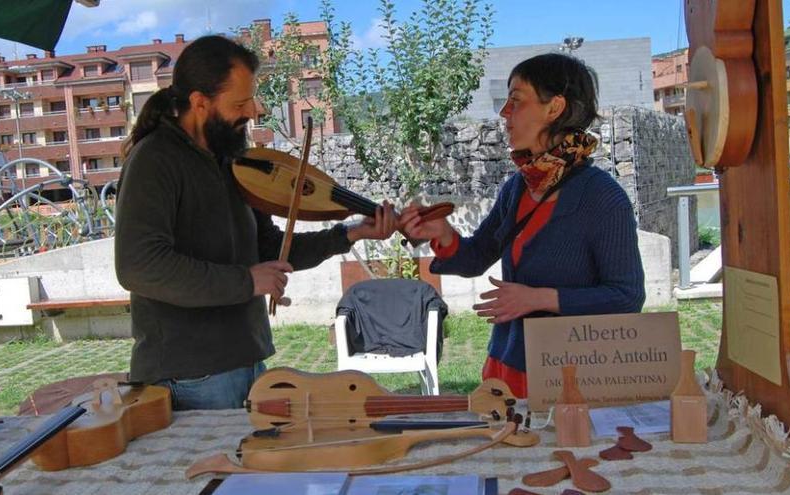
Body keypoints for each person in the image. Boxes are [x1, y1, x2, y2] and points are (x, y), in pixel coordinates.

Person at [114, 35, 395, 410]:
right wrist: (247, 281)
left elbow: (268, 248)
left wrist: (350, 233)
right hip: (191, 375)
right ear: (199, 102)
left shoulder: (231, 157)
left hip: (243, 361)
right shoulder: (155, 159)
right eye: (240, 103)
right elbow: (139, 266)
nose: (253, 111)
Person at [400, 53, 645, 398]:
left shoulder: (603, 198)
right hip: (505, 366)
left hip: (571, 383)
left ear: (554, 107)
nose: (504, 114)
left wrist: (537, 299)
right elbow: (476, 257)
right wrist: (444, 234)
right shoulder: (518, 188)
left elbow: (627, 297)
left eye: (516, 101)